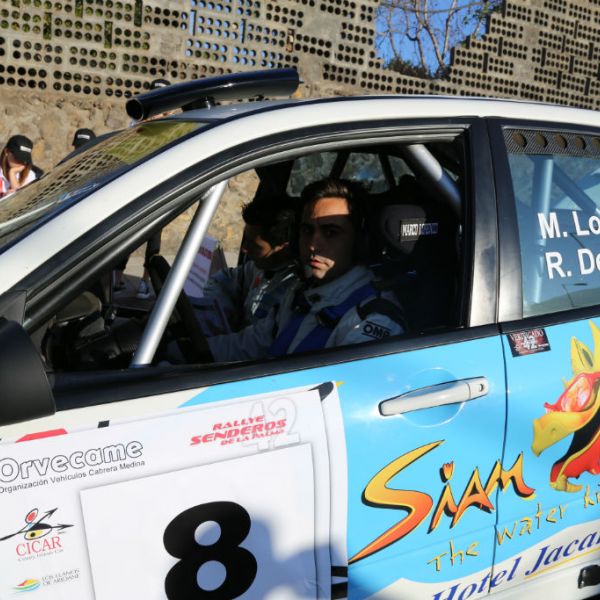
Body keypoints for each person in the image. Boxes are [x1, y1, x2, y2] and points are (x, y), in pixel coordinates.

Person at [207, 178, 405, 362]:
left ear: (359, 241)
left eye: (331, 233)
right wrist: (194, 350)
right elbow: (251, 344)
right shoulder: (300, 293)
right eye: (307, 230)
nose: (313, 245)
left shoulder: (371, 319)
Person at [114, 78, 172, 298]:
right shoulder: (137, 122)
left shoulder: (174, 123)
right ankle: (117, 279)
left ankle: (145, 282)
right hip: (136, 189)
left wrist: (167, 119)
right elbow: (130, 143)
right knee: (128, 234)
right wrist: (149, 121)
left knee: (153, 238)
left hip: (159, 190)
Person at [203, 198, 297, 331]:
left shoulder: (292, 291)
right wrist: (224, 310)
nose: (244, 249)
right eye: (246, 239)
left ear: (283, 248)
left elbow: (260, 340)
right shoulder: (256, 268)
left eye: (255, 246)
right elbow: (220, 280)